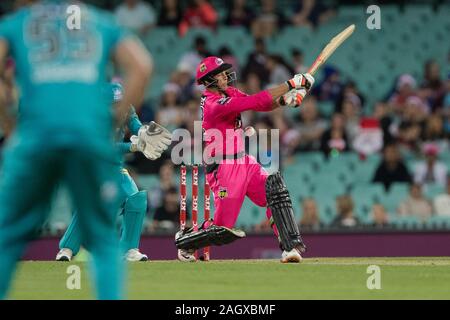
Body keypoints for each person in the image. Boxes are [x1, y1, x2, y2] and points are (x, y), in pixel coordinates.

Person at [0, 0, 153, 300]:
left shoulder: (18, 22)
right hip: (88, 138)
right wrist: (111, 121)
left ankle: (68, 250)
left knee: (7, 235)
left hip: (35, 136)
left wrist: (9, 126)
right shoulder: (100, 21)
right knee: (102, 237)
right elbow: (143, 66)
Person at [175, 55, 315, 263]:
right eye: (220, 74)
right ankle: (186, 241)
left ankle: (290, 248)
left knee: (274, 193)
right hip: (224, 168)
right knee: (223, 229)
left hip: (244, 161)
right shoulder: (215, 104)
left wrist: (287, 99)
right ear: (207, 81)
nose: (225, 76)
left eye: (224, 72)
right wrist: (292, 84)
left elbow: (262, 105)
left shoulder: (228, 92)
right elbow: (255, 101)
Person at [55, 83, 172, 262]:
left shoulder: (126, 108)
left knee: (136, 199)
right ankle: (67, 249)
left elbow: (134, 124)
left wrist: (142, 132)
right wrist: (134, 146)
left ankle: (130, 249)